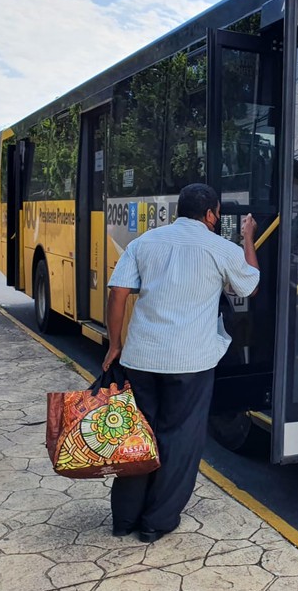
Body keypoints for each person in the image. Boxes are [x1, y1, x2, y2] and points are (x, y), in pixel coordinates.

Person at [101, 183, 259, 543]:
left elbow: (119, 292)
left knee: (137, 435)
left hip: (141, 357)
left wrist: (115, 343)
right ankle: (157, 520)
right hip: (191, 361)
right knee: (180, 439)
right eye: (217, 214)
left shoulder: (145, 243)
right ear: (209, 215)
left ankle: (124, 519)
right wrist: (248, 237)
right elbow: (250, 287)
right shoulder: (221, 248)